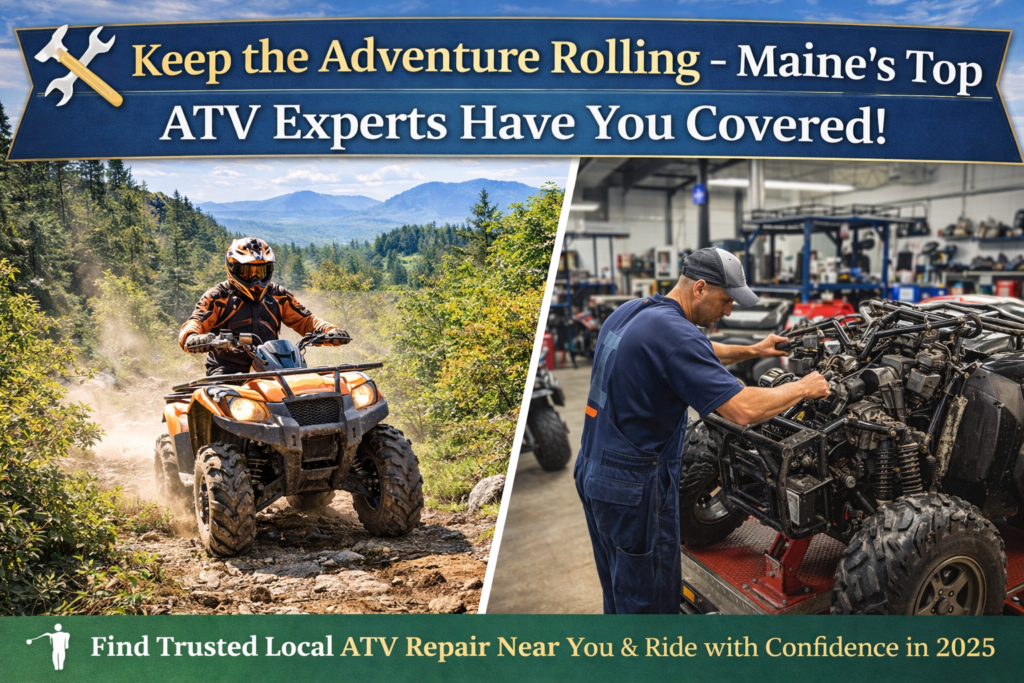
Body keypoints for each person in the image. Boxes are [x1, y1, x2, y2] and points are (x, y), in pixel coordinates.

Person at [574, 246, 830, 614]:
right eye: (726, 300)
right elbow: (741, 409)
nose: (728, 311)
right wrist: (804, 387)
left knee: (620, 588)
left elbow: (698, 349)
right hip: (632, 486)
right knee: (649, 603)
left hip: (594, 468)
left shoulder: (634, 312)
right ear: (700, 288)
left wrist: (754, 350)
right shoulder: (674, 334)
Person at [179, 237, 350, 376]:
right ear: (232, 269)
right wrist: (192, 337)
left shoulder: (278, 295)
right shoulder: (217, 296)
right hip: (228, 370)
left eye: (261, 272)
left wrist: (330, 331)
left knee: (308, 391)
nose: (256, 280)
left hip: (273, 366)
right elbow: (196, 321)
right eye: (248, 272)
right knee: (221, 398)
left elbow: (306, 321)